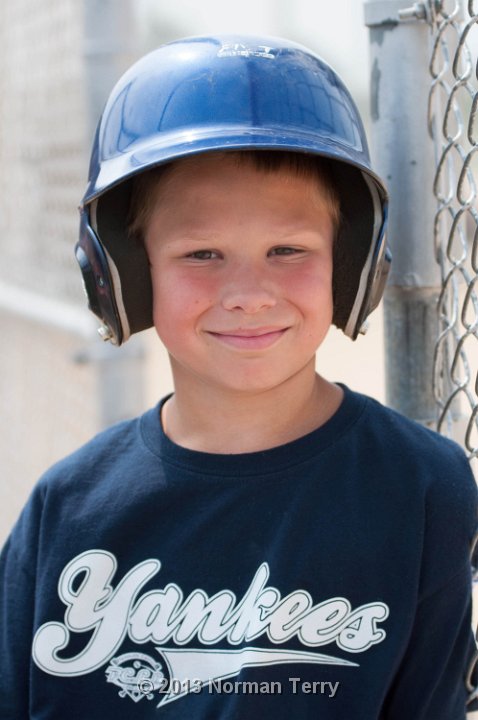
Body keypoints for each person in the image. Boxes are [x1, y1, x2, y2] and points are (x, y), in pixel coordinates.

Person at [1, 34, 477, 720]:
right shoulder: (72, 506)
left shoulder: (421, 485)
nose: (249, 294)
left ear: (351, 263)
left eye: (287, 249)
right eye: (203, 254)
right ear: (125, 275)